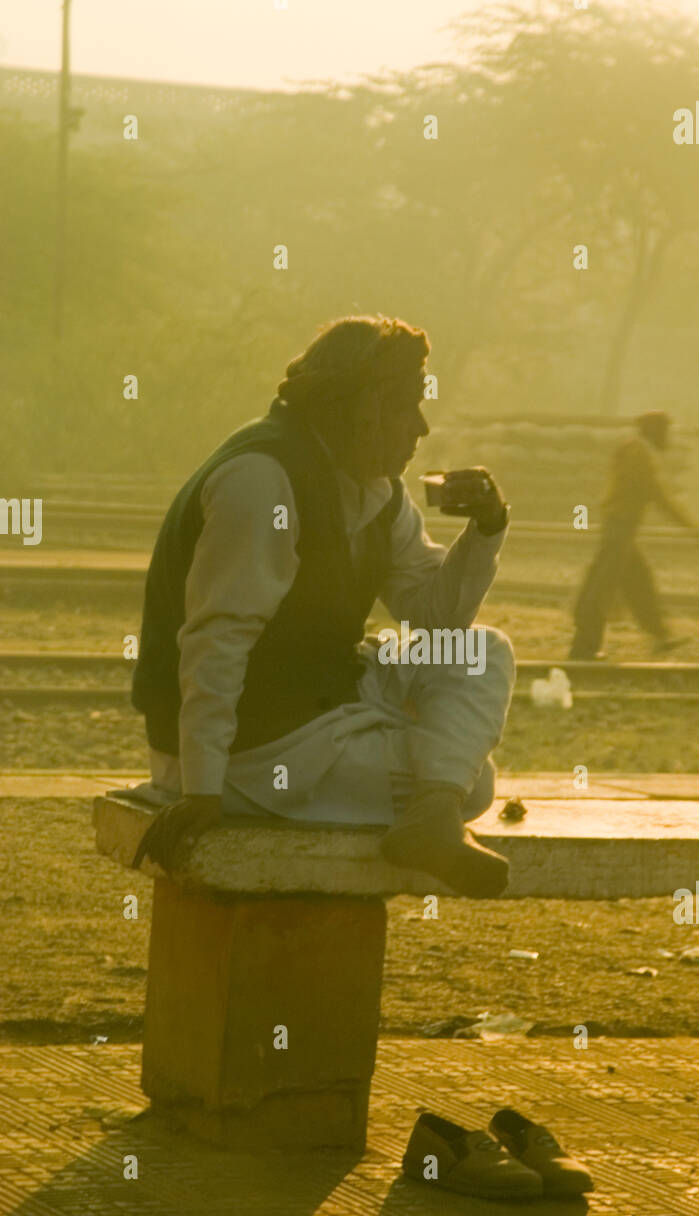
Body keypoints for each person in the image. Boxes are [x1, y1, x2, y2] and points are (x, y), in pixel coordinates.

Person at [130, 315, 515, 897]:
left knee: (484, 652)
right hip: (250, 749)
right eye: (407, 407)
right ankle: (435, 807)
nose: (422, 427)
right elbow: (218, 639)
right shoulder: (263, 480)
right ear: (365, 407)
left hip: (319, 702)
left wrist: (486, 529)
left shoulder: (376, 487)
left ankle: (432, 811)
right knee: (475, 781)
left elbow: (434, 620)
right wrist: (203, 789)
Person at [569, 410, 699, 660]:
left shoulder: (634, 449)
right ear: (655, 431)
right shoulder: (639, 454)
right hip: (620, 529)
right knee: (600, 589)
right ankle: (583, 649)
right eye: (665, 432)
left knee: (638, 582)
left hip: (622, 529)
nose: (668, 438)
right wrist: (694, 528)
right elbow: (658, 495)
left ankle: (659, 635)